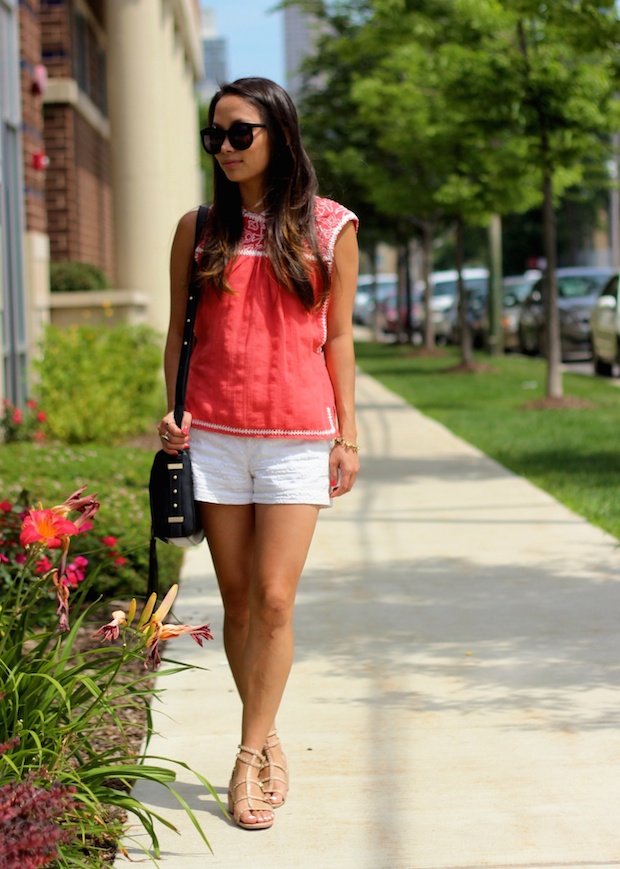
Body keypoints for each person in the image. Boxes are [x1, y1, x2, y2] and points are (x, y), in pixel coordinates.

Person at [158, 77, 359, 831]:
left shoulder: (329, 226)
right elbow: (181, 333)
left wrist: (348, 431)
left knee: (275, 600)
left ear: (278, 132)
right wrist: (173, 408)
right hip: (211, 435)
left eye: (240, 132)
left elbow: (337, 336)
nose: (226, 147)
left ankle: (243, 757)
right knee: (238, 602)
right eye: (215, 135)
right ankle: (266, 730)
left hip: (297, 440)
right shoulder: (200, 226)